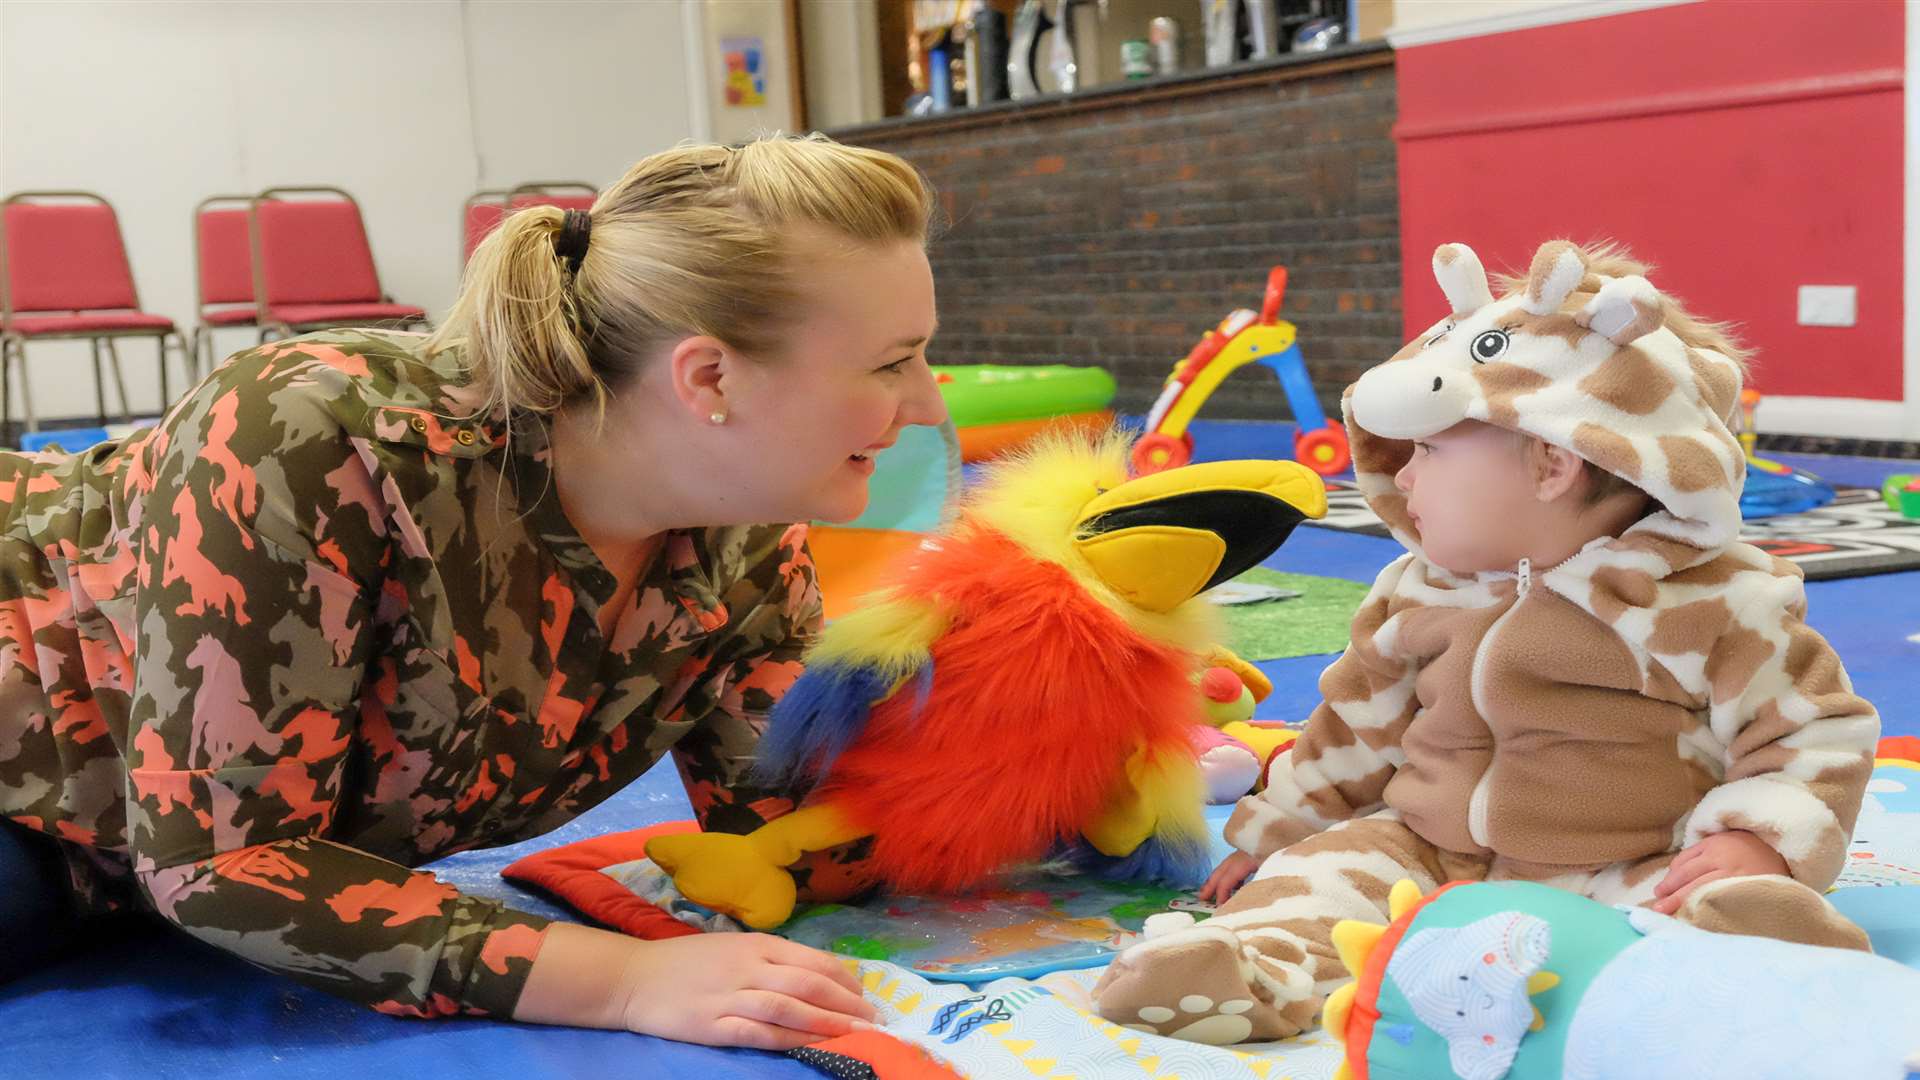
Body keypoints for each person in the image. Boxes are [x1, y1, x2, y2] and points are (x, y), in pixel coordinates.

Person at [0, 134, 948, 1052]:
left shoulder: (744, 538)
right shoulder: (311, 434)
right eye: (890, 362)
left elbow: (790, 838)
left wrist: (1030, 729)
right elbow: (221, 862)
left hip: (137, 864)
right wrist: (619, 982)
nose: (929, 404)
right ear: (709, 378)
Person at [1093, 240, 1880, 1045]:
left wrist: (1758, 838)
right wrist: (1277, 833)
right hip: (1423, 850)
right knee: (1322, 878)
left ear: (1552, 461)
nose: (1401, 479)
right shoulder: (1417, 587)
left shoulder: (1714, 600)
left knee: (1675, 921)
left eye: (1429, 450)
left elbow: (1809, 730)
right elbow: (1352, 728)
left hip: (1615, 864)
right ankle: (1248, 972)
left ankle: (1762, 959)